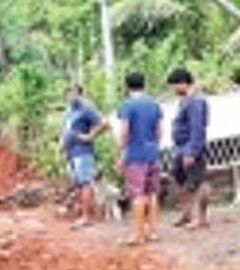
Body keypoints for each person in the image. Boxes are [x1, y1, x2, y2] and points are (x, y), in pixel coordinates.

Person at [115, 71, 164, 246]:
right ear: (144, 84)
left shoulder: (127, 105)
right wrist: (153, 147)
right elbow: (159, 132)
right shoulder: (154, 104)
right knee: (152, 193)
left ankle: (138, 234)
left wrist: (120, 155)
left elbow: (124, 132)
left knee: (137, 194)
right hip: (153, 153)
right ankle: (153, 232)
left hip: (135, 155)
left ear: (127, 86)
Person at [168, 67, 211, 229]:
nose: (172, 89)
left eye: (173, 85)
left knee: (199, 181)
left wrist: (192, 152)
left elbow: (197, 127)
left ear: (182, 83)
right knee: (177, 177)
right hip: (181, 147)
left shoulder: (195, 101)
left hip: (190, 147)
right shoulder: (186, 99)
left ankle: (201, 218)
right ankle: (187, 213)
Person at [60, 85, 108, 227]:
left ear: (80, 94)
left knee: (85, 182)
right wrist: (61, 145)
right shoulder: (69, 110)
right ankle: (84, 213)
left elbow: (104, 124)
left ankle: (87, 217)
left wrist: (90, 136)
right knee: (78, 183)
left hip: (83, 151)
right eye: (68, 94)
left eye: (73, 94)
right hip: (71, 152)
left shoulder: (87, 108)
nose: (70, 97)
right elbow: (66, 130)